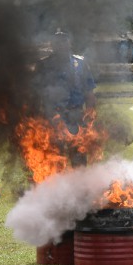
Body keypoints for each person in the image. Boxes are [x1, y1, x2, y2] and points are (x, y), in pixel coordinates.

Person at [36, 30, 96, 167]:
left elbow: (89, 92)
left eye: (64, 40)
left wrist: (90, 115)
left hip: (76, 116)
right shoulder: (42, 65)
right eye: (56, 41)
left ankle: (81, 186)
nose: (60, 44)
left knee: (79, 155)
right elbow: (36, 94)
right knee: (54, 157)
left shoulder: (80, 64)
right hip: (52, 117)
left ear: (70, 43)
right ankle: (58, 187)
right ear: (51, 44)